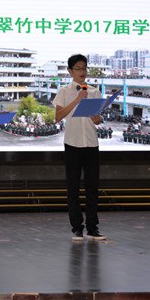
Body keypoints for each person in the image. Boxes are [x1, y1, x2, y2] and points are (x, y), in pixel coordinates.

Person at [53, 54, 106, 242]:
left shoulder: (95, 91)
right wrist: (78, 99)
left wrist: (97, 118)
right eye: (78, 68)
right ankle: (77, 228)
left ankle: (93, 228)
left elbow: (98, 119)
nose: (82, 71)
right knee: (73, 187)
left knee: (92, 187)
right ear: (70, 71)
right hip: (72, 143)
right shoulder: (64, 91)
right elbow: (58, 116)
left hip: (91, 143)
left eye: (84, 68)